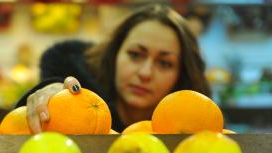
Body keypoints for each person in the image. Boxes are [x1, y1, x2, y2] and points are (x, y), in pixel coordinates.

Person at [16, 3, 211, 133]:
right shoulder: (72, 69)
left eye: (164, 63)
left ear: (182, 73)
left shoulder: (194, 117)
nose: (145, 73)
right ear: (115, 53)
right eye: (135, 55)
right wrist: (52, 94)